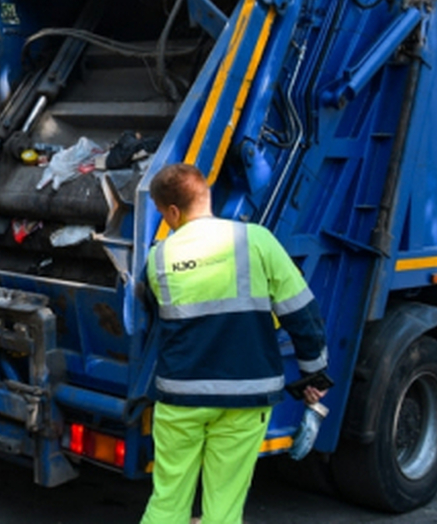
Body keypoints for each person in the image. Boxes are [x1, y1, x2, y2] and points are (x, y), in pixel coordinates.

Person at [140, 163, 327, 524]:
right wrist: (314, 375)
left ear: (174, 211)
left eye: (163, 213)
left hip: (182, 397)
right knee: (223, 508)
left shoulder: (158, 258)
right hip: (246, 395)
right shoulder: (255, 240)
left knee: (167, 502)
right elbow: (302, 314)